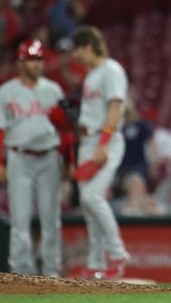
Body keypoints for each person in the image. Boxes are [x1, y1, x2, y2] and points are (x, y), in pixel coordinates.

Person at [0, 39, 64, 277]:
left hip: (49, 158)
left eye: (39, 59)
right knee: (20, 220)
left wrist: (69, 160)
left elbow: (67, 128)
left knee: (51, 219)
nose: (36, 64)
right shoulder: (6, 92)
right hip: (19, 159)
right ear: (20, 62)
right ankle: (21, 274)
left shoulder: (54, 90)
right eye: (31, 59)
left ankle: (52, 272)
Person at [69, 26, 131, 280]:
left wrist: (103, 144)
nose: (74, 54)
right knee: (87, 204)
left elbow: (115, 107)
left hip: (105, 141)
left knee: (93, 198)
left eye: (77, 48)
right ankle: (95, 263)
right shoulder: (91, 74)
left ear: (89, 46)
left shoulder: (111, 69)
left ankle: (117, 255)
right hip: (87, 141)